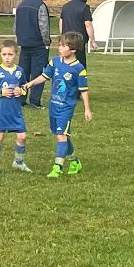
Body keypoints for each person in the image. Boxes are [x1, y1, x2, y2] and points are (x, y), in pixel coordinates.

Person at [25, 31, 93, 178]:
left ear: (73, 49)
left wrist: (87, 109)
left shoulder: (79, 69)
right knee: (62, 135)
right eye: (60, 45)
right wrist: (31, 83)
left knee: (61, 136)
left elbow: (84, 90)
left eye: (63, 46)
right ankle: (75, 161)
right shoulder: (55, 61)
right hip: (53, 106)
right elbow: (45, 76)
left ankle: (58, 167)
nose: (59, 48)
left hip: (66, 108)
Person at [0, 39, 32, 175]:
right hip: (0, 112)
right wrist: (0, 91)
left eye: (10, 54)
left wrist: (21, 91)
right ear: (0, 54)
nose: (7, 57)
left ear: (16, 54)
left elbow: (24, 86)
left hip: (16, 112)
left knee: (22, 137)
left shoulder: (20, 71)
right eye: (4, 54)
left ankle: (18, 162)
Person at [14, 0, 50, 109]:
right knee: (37, 73)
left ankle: (21, 99)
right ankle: (35, 101)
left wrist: (19, 39)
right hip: (38, 44)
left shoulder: (21, 5)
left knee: (23, 73)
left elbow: (15, 26)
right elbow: (43, 26)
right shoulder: (40, 5)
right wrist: (46, 42)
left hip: (24, 45)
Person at [59, 0, 99, 66]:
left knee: (66, 62)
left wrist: (63, 37)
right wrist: (93, 41)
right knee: (79, 64)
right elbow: (88, 25)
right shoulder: (85, 7)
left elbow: (61, 22)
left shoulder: (66, 6)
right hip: (78, 41)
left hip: (66, 40)